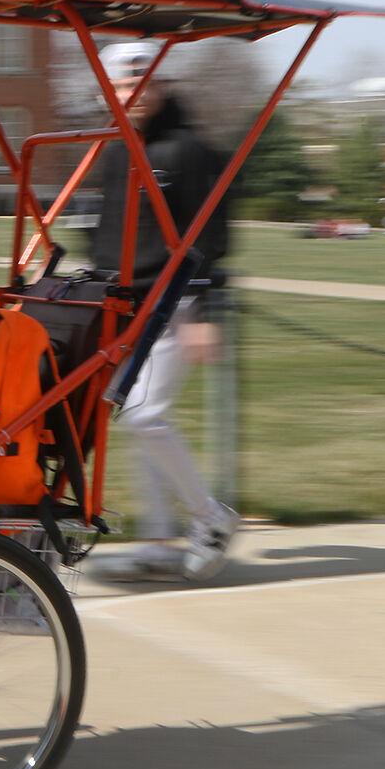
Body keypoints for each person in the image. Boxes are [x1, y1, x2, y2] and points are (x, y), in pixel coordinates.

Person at [87, 41, 239, 582]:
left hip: (175, 307)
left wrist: (200, 309)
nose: (131, 94)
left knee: (145, 415)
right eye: (121, 85)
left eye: (141, 82)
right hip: (127, 308)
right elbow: (105, 232)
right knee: (136, 421)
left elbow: (210, 233)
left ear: (162, 84)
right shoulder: (114, 149)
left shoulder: (186, 152)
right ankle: (156, 541)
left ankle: (210, 518)